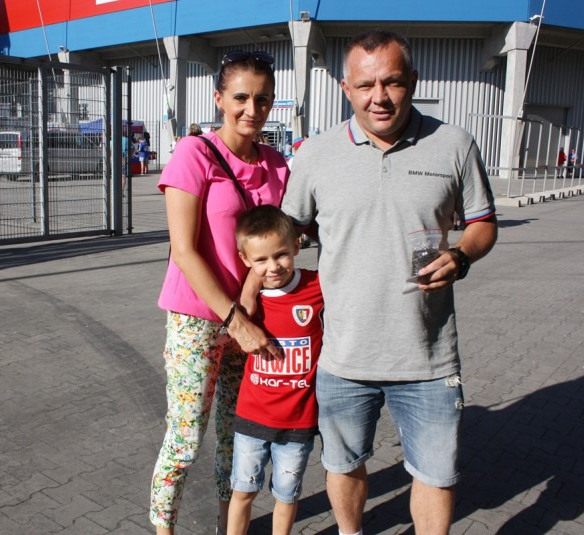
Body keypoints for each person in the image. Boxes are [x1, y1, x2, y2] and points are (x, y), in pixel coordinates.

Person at [281, 30, 498, 535]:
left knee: (436, 475)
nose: (378, 97)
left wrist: (461, 254)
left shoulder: (454, 144)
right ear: (345, 88)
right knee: (343, 464)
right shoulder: (315, 154)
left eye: (392, 82)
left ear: (413, 82)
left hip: (427, 357)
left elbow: (484, 223)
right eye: (365, 85)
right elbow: (286, 230)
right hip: (343, 356)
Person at [150, 49, 290, 535]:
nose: (253, 109)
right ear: (218, 99)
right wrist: (235, 319)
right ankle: (164, 528)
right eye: (241, 97)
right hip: (198, 318)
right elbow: (184, 250)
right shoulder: (195, 154)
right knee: (186, 437)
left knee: (238, 437)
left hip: (251, 318)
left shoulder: (277, 165)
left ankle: (227, 526)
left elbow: (270, 246)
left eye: (263, 99)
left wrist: (249, 296)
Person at [227, 205, 324, 535]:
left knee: (286, 496)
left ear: (297, 245)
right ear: (245, 260)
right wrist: (249, 290)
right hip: (252, 418)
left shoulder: (317, 286)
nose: (273, 267)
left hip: (298, 421)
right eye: (261, 260)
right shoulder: (246, 305)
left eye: (281, 254)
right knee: (243, 492)